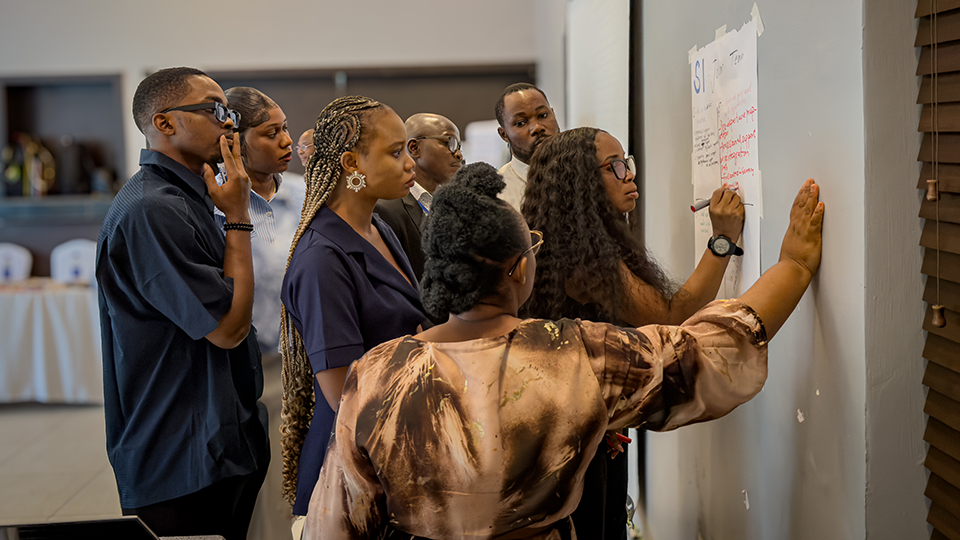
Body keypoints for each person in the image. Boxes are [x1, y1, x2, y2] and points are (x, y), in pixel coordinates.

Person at [304, 162, 823, 539]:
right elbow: (704, 350)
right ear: (518, 269)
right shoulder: (573, 354)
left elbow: (337, 522)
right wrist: (794, 268)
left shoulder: (377, 372)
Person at [521, 126, 745, 539]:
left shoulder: (575, 243)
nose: (630, 175)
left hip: (582, 434)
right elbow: (672, 317)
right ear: (581, 183)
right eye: (615, 166)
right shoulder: (583, 260)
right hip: (578, 446)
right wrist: (722, 239)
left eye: (628, 163)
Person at [96, 67, 269, 540]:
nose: (229, 123)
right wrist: (238, 217)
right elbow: (226, 327)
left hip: (217, 433)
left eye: (228, 111)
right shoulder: (153, 208)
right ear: (165, 124)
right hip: (180, 450)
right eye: (214, 111)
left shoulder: (187, 196)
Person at [279, 95, 431, 519]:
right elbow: (343, 391)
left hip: (391, 449)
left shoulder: (376, 225)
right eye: (395, 152)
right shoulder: (322, 259)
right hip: (350, 471)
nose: (409, 164)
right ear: (351, 163)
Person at [218, 86, 303, 540]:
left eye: (286, 129)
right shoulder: (218, 208)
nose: (286, 140)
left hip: (313, 364)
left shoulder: (310, 197)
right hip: (256, 372)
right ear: (235, 141)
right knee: (270, 501)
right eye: (272, 133)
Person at [375, 113, 464, 281]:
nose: (458, 154)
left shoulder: (453, 205)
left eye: (459, 146)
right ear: (414, 148)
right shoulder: (388, 209)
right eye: (449, 143)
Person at [495, 82, 560, 210]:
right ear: (504, 135)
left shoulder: (585, 174)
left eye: (543, 115)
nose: (536, 128)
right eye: (521, 123)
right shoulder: (498, 196)